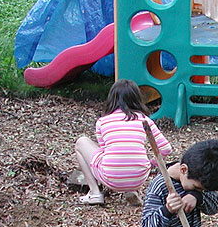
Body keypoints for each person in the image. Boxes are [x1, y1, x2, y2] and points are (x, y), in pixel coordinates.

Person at [74, 78, 172, 206]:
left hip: (111, 178)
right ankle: (132, 189)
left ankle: (94, 193)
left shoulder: (103, 122)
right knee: (135, 154)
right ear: (137, 99)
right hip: (139, 178)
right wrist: (151, 163)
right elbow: (166, 148)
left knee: (81, 142)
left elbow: (104, 152)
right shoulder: (144, 119)